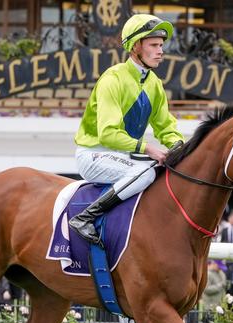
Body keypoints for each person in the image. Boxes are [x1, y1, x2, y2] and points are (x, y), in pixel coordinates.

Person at [68, 14, 184, 244]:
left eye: (161, 45)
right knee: (146, 172)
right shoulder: (113, 79)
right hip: (94, 154)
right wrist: (149, 149)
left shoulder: (154, 84)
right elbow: (108, 133)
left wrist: (178, 145)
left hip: (123, 157)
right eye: (153, 45)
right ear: (135, 47)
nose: (160, 51)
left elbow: (165, 126)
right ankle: (86, 217)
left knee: (161, 175)